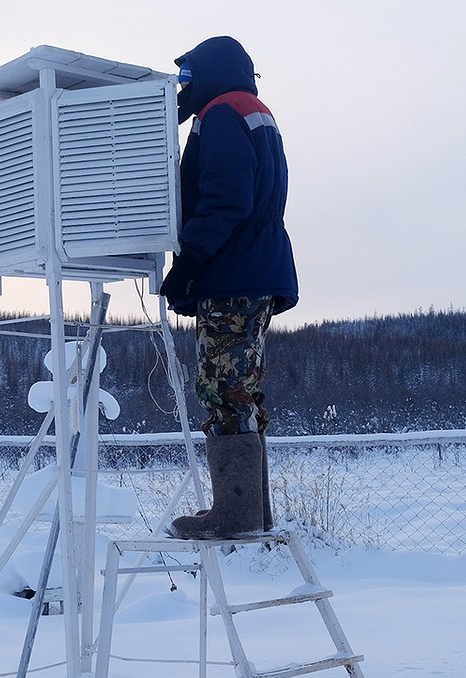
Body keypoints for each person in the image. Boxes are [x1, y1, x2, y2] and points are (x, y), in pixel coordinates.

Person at [160, 35, 298, 539]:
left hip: (234, 270)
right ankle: (251, 514)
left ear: (211, 74)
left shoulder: (221, 113)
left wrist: (191, 259)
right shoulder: (251, 109)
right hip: (257, 268)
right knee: (242, 390)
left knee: (224, 387)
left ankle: (235, 517)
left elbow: (226, 198)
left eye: (188, 79)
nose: (183, 90)